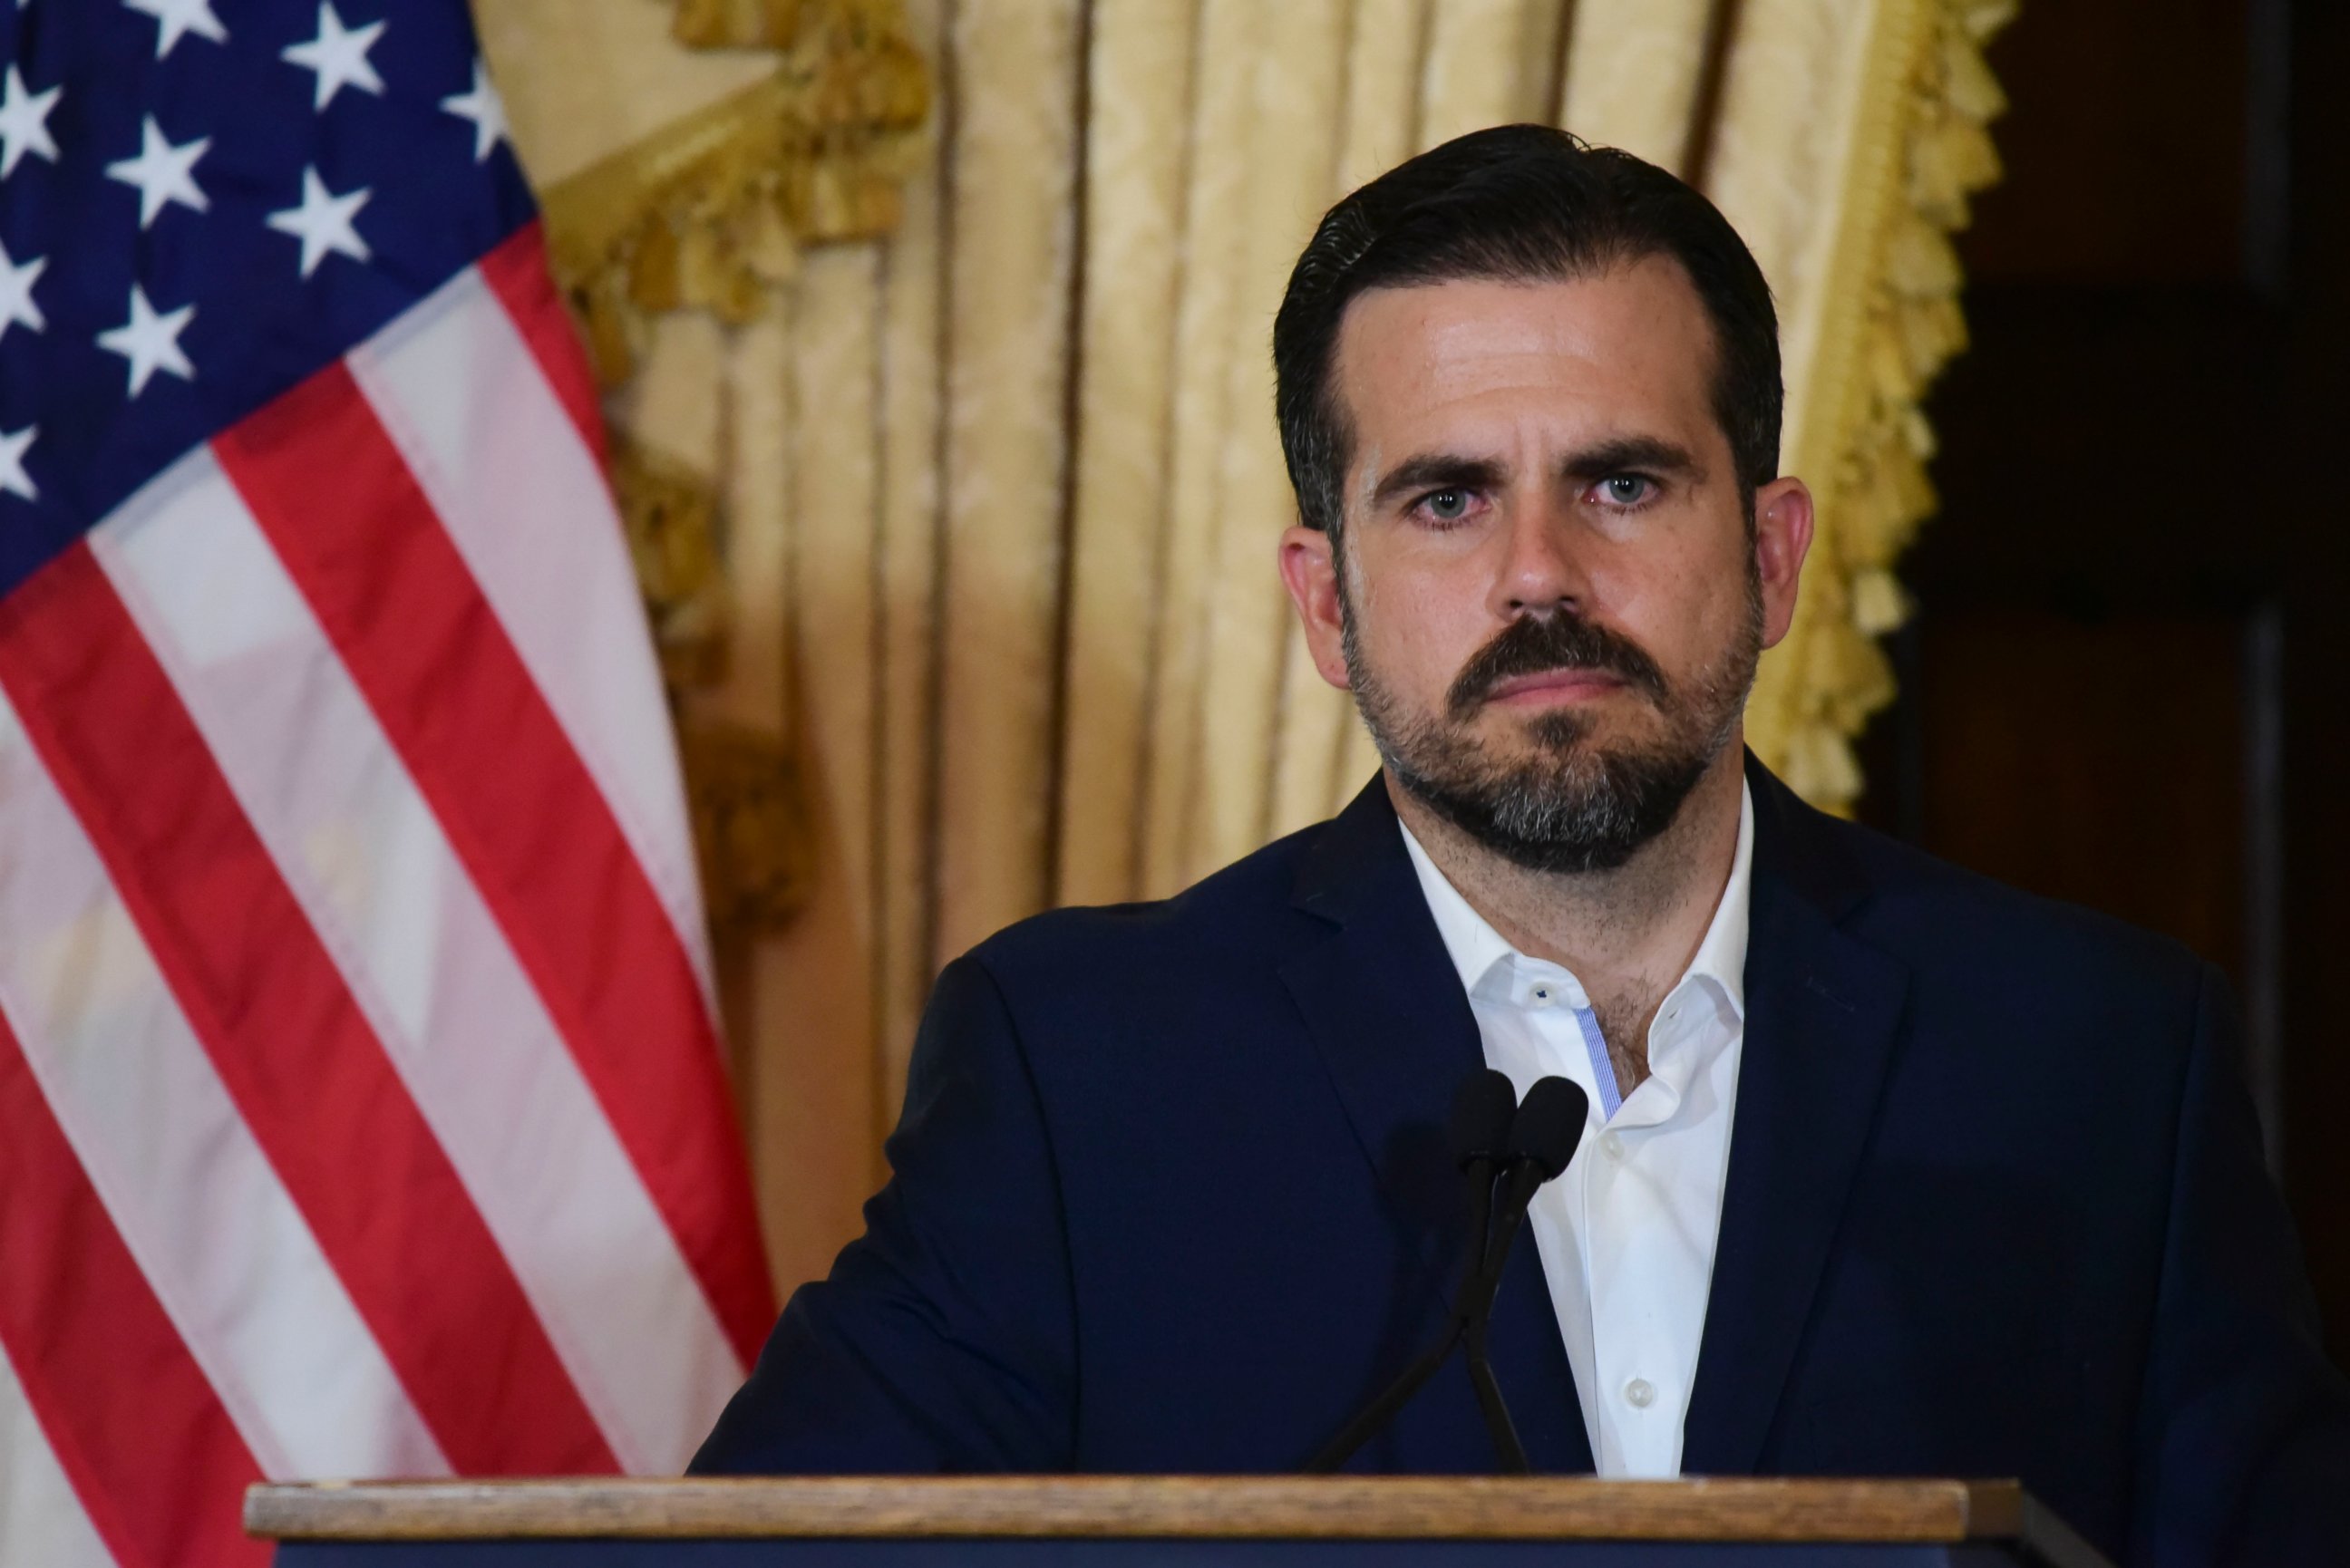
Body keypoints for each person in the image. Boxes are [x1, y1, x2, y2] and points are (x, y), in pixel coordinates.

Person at [692, 125, 2349, 1564]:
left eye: (1623, 485)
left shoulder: (2103, 1059)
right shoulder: (1084, 1073)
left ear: (1773, 559)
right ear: (1326, 603)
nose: (1539, 574)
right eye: (1447, 499)